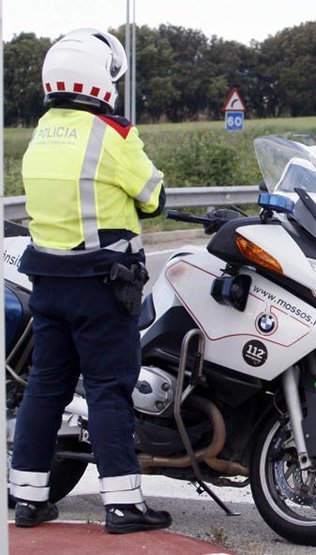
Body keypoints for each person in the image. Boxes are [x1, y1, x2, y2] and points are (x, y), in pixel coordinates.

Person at [9, 28, 172, 534]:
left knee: (46, 387)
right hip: (102, 283)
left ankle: (28, 498)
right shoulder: (112, 134)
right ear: (101, 80)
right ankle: (123, 505)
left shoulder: (41, 132)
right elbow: (154, 197)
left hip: (48, 281)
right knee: (108, 388)